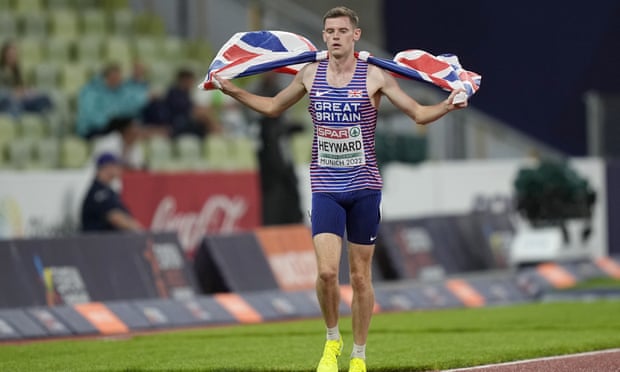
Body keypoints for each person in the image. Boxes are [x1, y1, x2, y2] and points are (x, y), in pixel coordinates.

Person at [215, 7, 468, 372]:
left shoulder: (375, 77)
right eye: (328, 31)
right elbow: (272, 108)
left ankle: (359, 355)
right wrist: (232, 89)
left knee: (362, 277)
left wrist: (447, 105)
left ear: (355, 36)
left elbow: (417, 113)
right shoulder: (309, 73)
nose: (334, 36)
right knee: (327, 273)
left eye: (340, 31)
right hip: (326, 187)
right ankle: (332, 340)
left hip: (364, 187)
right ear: (324, 37)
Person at [76, 63, 149, 139]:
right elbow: (90, 116)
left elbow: (130, 106)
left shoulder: (120, 90)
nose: (117, 81)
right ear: (105, 77)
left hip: (115, 128)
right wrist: (111, 121)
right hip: (92, 129)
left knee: (138, 128)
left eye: (118, 78)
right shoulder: (90, 91)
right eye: (113, 78)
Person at [81, 152, 143, 232]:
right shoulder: (98, 192)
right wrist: (139, 231)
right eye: (116, 166)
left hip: (109, 241)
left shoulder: (108, 190)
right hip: (98, 241)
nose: (120, 169)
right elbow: (115, 217)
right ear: (108, 167)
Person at [0, 40, 52, 116]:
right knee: (12, 104)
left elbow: (23, 87)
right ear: (4, 55)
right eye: (10, 55)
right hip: (8, 101)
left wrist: (28, 91)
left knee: (45, 98)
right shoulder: (2, 72)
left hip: (22, 100)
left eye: (14, 55)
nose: (13, 57)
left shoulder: (17, 71)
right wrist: (13, 93)